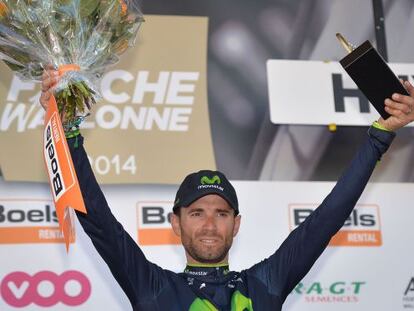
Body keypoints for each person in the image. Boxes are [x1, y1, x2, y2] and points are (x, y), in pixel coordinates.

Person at [40, 69, 414, 310]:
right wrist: (67, 128)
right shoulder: (153, 289)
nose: (209, 225)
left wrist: (379, 137)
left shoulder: (265, 284)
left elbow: (328, 217)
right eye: (196, 213)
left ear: (236, 225)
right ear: (175, 223)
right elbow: (98, 220)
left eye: (221, 214)